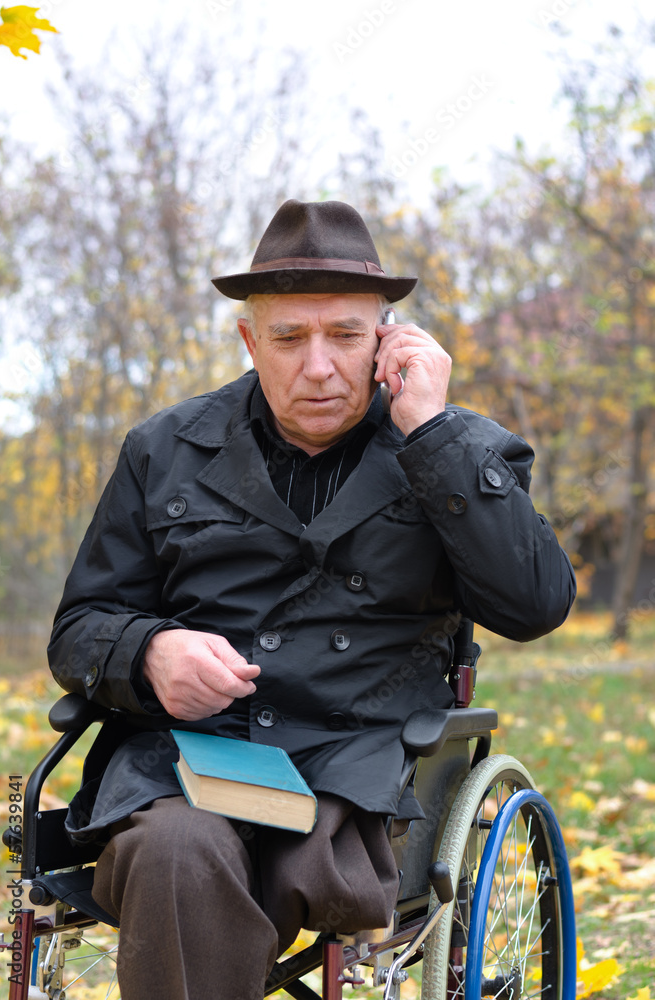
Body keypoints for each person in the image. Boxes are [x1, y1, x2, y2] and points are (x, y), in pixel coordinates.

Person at [48, 199, 576, 999]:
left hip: (355, 778)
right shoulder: (163, 450)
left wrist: (429, 430)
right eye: (290, 338)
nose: (318, 365)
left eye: (345, 335)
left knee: (288, 856)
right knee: (176, 854)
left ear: (388, 340)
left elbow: (536, 604)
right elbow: (79, 630)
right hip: (191, 764)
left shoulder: (457, 448)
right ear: (249, 339)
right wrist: (150, 653)